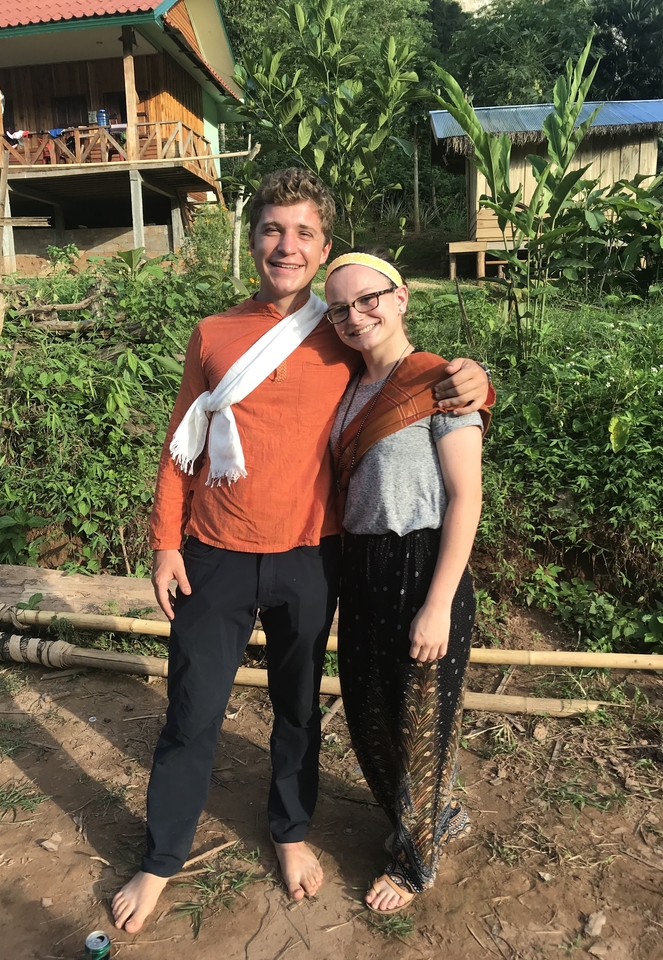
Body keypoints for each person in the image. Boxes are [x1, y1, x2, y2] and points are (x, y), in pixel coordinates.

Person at [112, 169, 492, 934]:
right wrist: (164, 544)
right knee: (191, 713)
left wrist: (479, 379)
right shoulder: (213, 334)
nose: (286, 246)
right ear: (253, 240)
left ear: (323, 248)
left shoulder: (343, 333)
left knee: (297, 710)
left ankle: (289, 832)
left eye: (304, 233)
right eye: (272, 230)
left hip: (313, 560)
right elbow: (181, 445)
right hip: (214, 554)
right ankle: (161, 858)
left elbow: (415, 383)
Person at [325, 248, 488, 913]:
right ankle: (435, 815)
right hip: (361, 566)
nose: (355, 316)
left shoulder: (439, 382)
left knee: (420, 721)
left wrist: (439, 603)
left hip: (422, 565)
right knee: (369, 713)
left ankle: (413, 865)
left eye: (368, 299)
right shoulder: (347, 387)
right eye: (340, 308)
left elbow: (466, 497)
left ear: (401, 298)